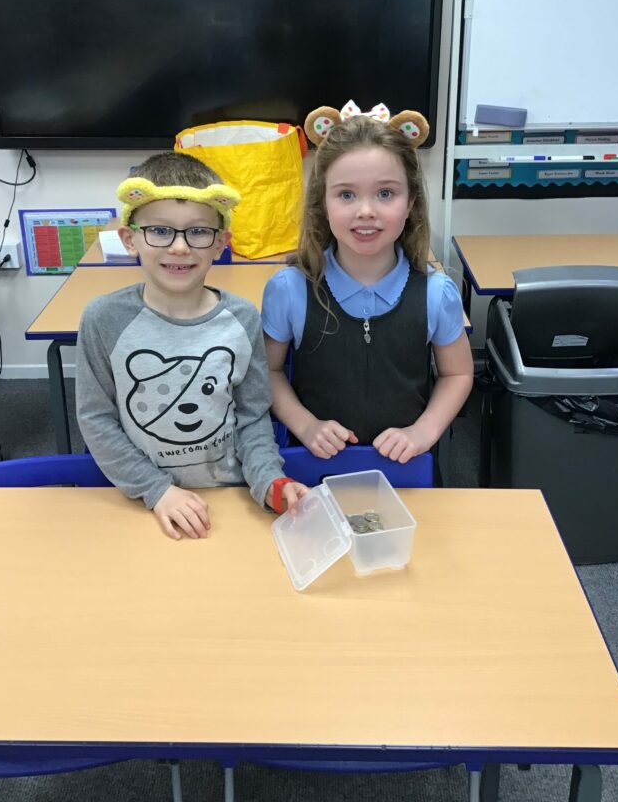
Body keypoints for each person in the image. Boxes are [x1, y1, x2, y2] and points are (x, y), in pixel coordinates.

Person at [76, 151, 308, 539]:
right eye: (160, 230)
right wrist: (156, 490)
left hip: (230, 498)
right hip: (143, 500)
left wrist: (269, 480)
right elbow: (96, 419)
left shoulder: (243, 318)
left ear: (221, 244)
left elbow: (252, 417)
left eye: (198, 232)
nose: (180, 247)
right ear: (130, 239)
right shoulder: (103, 319)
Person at [261, 103, 473, 464]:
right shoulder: (289, 289)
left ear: (411, 203)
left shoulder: (436, 293)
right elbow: (269, 370)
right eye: (346, 195)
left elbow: (459, 372)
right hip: (314, 471)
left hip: (406, 469)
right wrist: (306, 425)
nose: (366, 211)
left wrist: (422, 433)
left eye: (385, 194)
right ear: (322, 203)